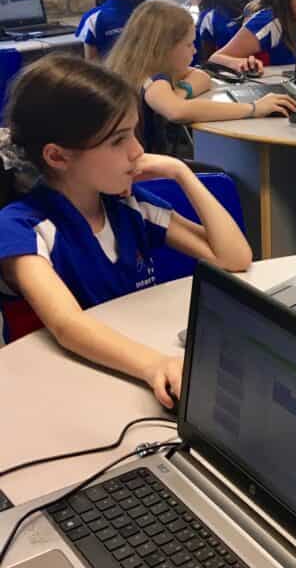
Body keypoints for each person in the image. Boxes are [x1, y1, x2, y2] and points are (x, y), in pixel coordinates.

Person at [0, 56, 254, 408]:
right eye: (118, 140)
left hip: (126, 373)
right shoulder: (22, 228)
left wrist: (182, 174)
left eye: (134, 132)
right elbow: (68, 325)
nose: (137, 150)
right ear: (57, 156)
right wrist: (155, 365)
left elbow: (234, 257)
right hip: (54, 393)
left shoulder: (128, 205)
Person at [107, 1, 296, 153]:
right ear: (164, 48)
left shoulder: (136, 70)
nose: (195, 50)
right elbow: (177, 111)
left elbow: (201, 76)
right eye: (189, 44)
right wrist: (254, 108)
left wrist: (181, 93)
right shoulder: (152, 82)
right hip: (146, 175)